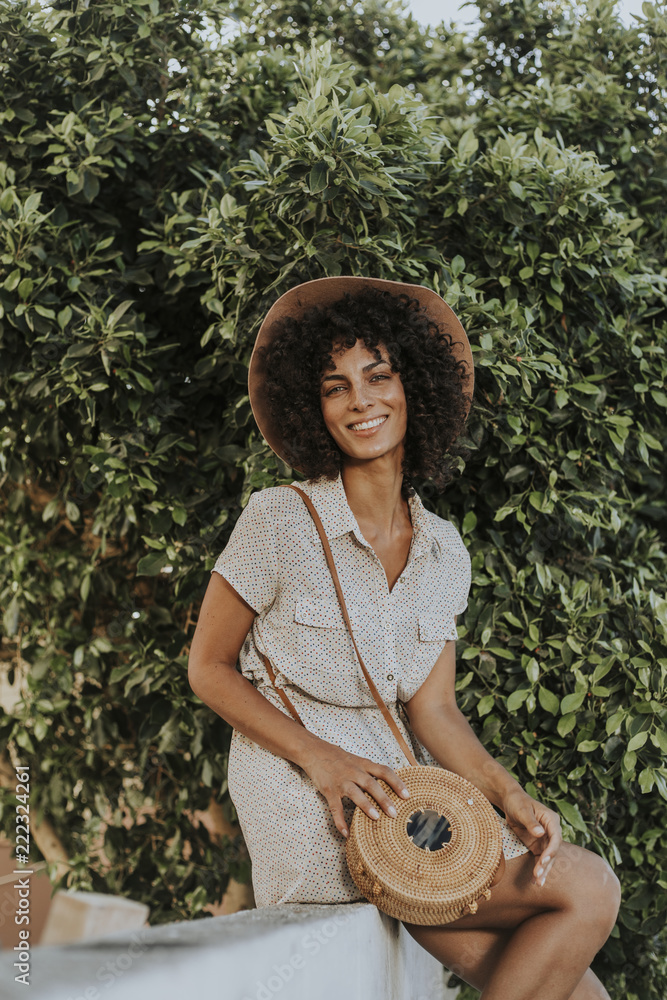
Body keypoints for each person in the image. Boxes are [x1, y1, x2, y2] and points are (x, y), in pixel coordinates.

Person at [188, 276, 621, 1000]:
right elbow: (208, 668)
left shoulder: (443, 550)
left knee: (583, 996)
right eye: (335, 387)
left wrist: (509, 799)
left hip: (410, 820)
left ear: (412, 386)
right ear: (313, 409)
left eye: (378, 376)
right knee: (589, 887)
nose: (361, 401)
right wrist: (322, 762)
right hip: (308, 805)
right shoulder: (278, 520)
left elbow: (433, 711)